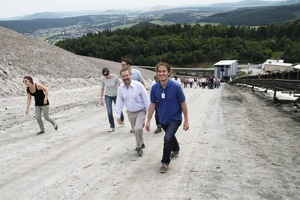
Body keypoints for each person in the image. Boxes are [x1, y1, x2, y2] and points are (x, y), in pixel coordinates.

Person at [145, 62, 189, 173]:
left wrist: (186, 120)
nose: (161, 73)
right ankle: (176, 149)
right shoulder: (155, 88)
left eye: (164, 71)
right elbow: (152, 104)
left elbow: (183, 103)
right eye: (159, 71)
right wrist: (148, 120)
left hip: (175, 118)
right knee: (170, 136)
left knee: (167, 138)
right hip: (162, 119)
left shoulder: (176, 87)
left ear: (168, 72)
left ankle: (165, 162)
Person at [116, 68, 150, 156]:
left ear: (130, 75)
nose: (125, 77)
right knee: (135, 131)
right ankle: (141, 142)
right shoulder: (120, 88)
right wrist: (118, 115)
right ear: (121, 77)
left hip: (141, 111)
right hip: (130, 113)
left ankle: (138, 147)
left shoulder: (138, 85)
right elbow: (119, 102)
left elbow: (146, 100)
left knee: (138, 128)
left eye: (127, 75)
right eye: (123, 76)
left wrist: (149, 114)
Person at [121, 58, 146, 133]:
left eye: (123, 64)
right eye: (121, 64)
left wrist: (144, 94)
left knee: (139, 111)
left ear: (128, 65)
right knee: (131, 112)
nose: (122, 66)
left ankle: (139, 123)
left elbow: (142, 82)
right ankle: (134, 126)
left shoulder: (136, 72)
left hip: (138, 96)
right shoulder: (123, 73)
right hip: (129, 97)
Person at [100, 67, 124, 132]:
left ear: (109, 72)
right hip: (108, 95)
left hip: (116, 95)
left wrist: (121, 96)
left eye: (107, 74)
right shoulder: (103, 79)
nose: (106, 76)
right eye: (104, 75)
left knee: (118, 109)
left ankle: (122, 120)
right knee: (109, 111)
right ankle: (112, 126)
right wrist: (101, 99)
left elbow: (120, 86)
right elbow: (102, 88)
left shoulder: (115, 77)